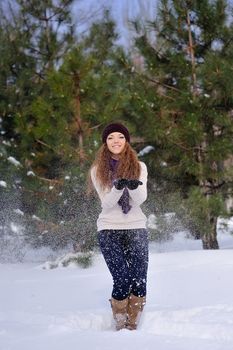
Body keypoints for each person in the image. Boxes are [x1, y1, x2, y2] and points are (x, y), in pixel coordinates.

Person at [89, 122, 149, 331]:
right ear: (105, 143)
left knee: (139, 280)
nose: (116, 141)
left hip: (136, 226)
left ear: (127, 141)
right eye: (111, 137)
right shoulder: (98, 170)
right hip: (109, 229)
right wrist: (117, 188)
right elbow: (106, 203)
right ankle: (120, 323)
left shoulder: (140, 167)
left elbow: (140, 199)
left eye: (120, 137)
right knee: (122, 279)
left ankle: (132, 325)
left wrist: (131, 186)